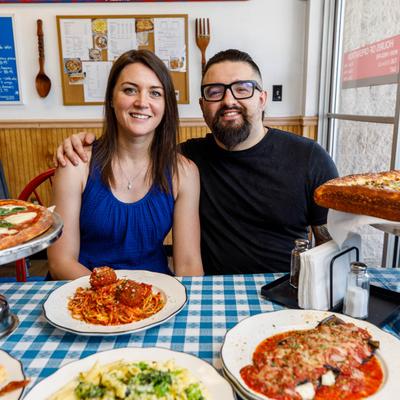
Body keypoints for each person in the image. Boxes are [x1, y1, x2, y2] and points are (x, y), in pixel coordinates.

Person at [55, 49, 338, 275]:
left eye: (242, 89)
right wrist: (82, 142)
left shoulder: (309, 158)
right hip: (208, 292)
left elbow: (335, 246)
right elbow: (60, 262)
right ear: (203, 106)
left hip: (285, 289)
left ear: (262, 99)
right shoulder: (189, 159)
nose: (229, 100)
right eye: (215, 92)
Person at [48, 49, 203, 280]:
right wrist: (120, 299)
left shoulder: (185, 172)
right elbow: (61, 263)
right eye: (130, 90)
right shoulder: (76, 163)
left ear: (166, 104)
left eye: (155, 93)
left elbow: (189, 265)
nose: (142, 102)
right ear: (111, 98)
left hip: (154, 297)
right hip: (82, 293)